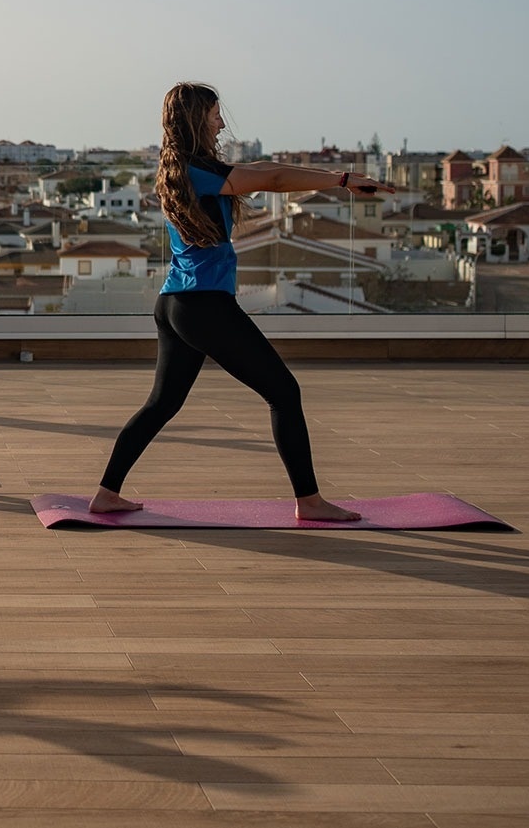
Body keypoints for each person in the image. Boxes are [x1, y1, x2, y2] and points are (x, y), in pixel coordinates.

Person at [89, 82, 393, 521]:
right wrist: (341, 180)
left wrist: (336, 180)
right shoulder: (199, 172)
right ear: (197, 119)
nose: (222, 122)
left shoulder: (185, 169)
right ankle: (309, 502)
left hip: (175, 302)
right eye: (215, 114)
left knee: (163, 404)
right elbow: (270, 177)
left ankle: (106, 493)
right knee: (284, 392)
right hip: (203, 306)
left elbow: (263, 169)